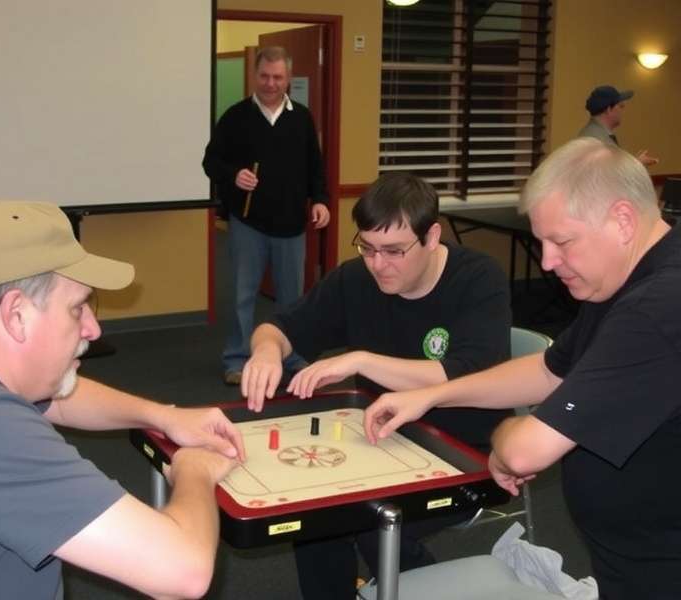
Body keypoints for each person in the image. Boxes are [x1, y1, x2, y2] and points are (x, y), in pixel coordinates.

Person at [0, 201, 246, 600]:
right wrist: (194, 471)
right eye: (77, 308)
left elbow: (57, 396)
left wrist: (163, 416)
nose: (93, 327)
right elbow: (183, 572)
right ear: (16, 314)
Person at [365, 138, 680, 600]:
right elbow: (551, 370)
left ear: (623, 221)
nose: (548, 262)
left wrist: (501, 439)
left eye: (562, 242)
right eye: (542, 242)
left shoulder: (657, 307)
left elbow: (524, 453)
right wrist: (431, 395)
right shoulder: (623, 278)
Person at [243, 172, 512, 600]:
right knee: (315, 517)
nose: (377, 264)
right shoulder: (356, 279)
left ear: (432, 237)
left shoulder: (478, 278)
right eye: (367, 248)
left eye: (393, 251)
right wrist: (266, 351)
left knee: (368, 523)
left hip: (466, 453)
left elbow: (466, 373)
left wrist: (361, 359)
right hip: (377, 439)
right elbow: (278, 326)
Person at [203, 45, 330, 386]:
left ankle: (293, 357)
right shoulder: (236, 116)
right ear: (254, 75)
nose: (271, 83)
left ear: (288, 78)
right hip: (248, 224)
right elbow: (211, 161)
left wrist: (320, 200)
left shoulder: (301, 117)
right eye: (264, 76)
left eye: (278, 77)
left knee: (293, 301)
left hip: (292, 225)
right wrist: (234, 175)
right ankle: (237, 358)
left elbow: (315, 167)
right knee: (241, 296)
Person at [577, 84, 658, 166]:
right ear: (608, 109)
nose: (623, 111)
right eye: (621, 106)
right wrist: (637, 164)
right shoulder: (596, 140)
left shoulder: (596, 133)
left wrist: (634, 162)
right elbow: (607, 175)